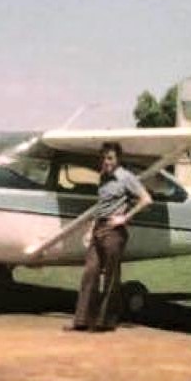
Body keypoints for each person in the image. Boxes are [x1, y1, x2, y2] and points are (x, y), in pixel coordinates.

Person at [66, 142, 152, 332]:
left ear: (118, 159)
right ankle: (81, 320)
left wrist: (124, 218)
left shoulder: (126, 177)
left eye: (110, 158)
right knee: (90, 272)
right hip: (98, 228)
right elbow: (101, 205)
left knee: (111, 277)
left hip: (114, 232)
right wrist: (90, 229)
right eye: (104, 158)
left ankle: (105, 321)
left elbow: (146, 199)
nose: (106, 162)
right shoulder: (103, 177)